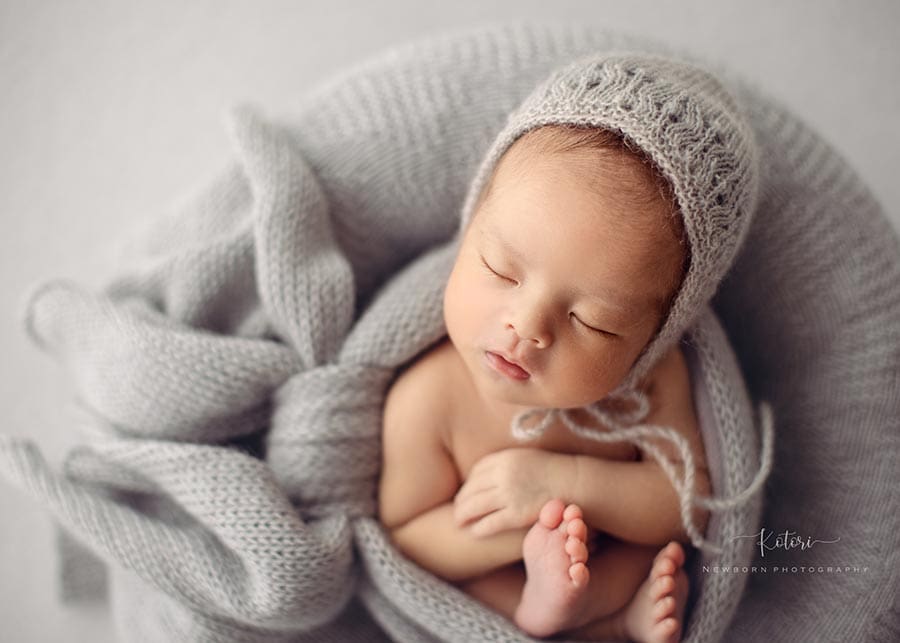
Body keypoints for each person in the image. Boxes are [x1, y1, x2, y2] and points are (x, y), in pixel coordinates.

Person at [378, 54, 759, 642]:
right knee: (476, 577)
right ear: (469, 226)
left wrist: (564, 483)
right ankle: (543, 611)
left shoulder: (654, 382)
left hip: (608, 562)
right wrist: (521, 528)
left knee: (653, 548)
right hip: (500, 580)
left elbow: (686, 502)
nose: (526, 328)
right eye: (500, 270)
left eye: (595, 323)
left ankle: (604, 620)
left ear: (654, 338)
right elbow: (407, 534)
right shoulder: (426, 399)